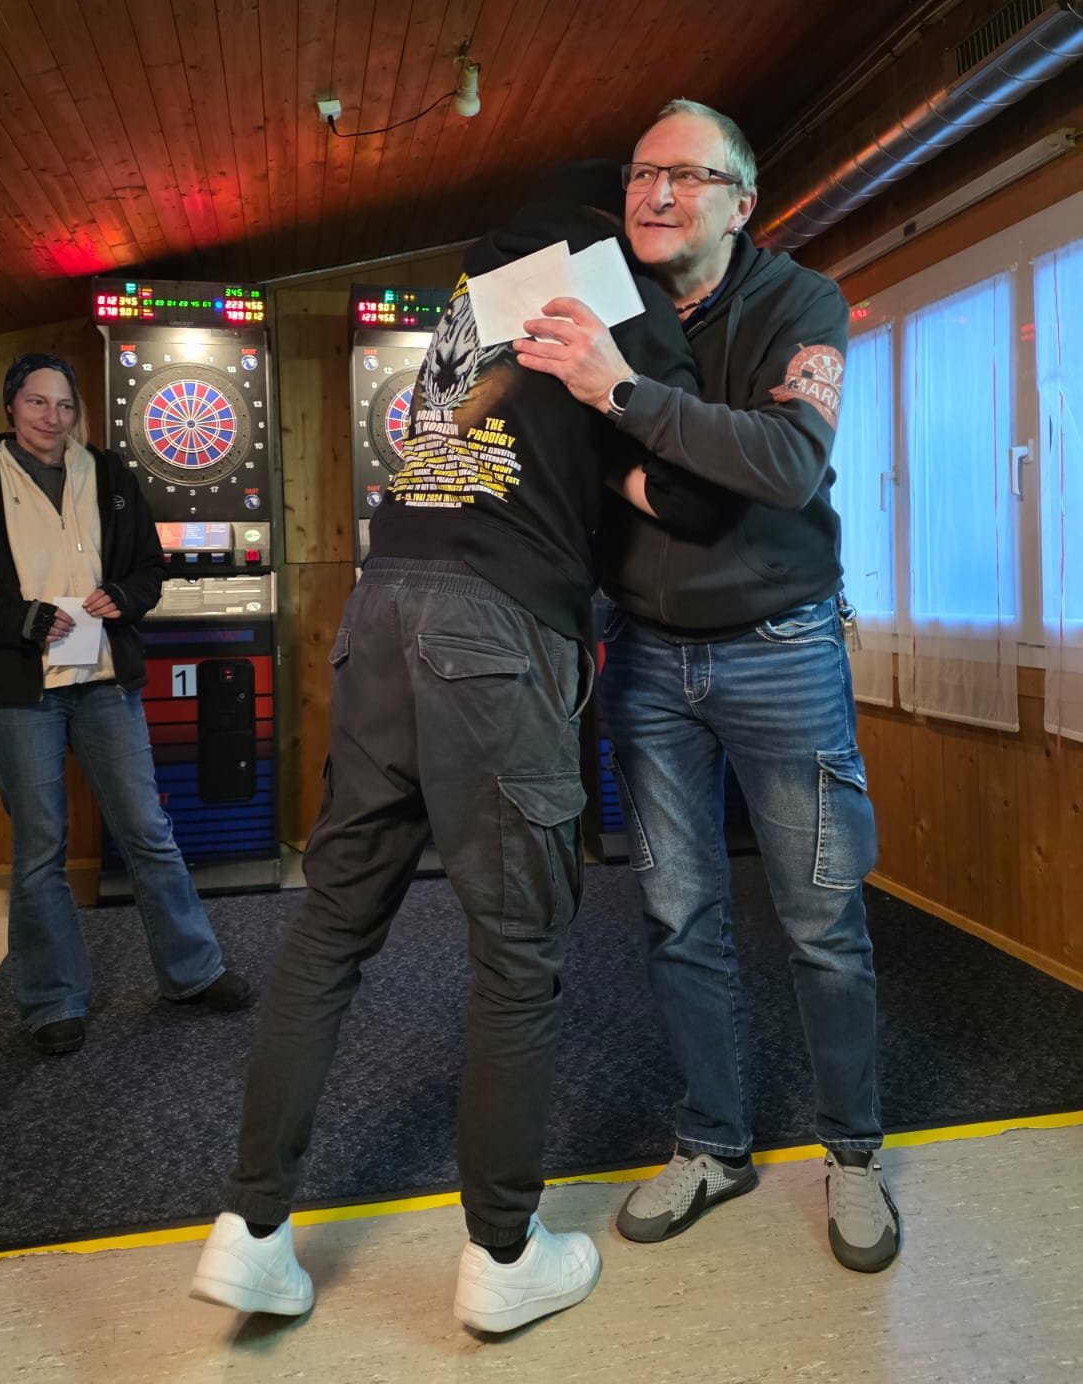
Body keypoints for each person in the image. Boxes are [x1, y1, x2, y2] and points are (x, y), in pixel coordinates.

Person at [190, 173, 706, 1334]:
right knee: (519, 953)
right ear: (621, 213)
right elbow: (683, 467)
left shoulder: (479, 289)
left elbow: (528, 438)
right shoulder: (611, 275)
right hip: (494, 626)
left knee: (331, 928)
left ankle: (250, 1230)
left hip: (382, 607)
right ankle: (505, 1253)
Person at [512, 99, 901, 1276]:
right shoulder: (607, 301)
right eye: (642, 173)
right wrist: (654, 460)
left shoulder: (801, 303)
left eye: (685, 176)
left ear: (741, 202)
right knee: (680, 918)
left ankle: (852, 1152)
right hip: (645, 659)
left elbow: (785, 461)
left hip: (783, 650)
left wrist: (623, 399)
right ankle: (714, 1142)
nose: (656, 193)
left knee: (822, 920)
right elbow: (578, 465)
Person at [0, 354, 253, 1056]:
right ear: (11, 405)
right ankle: (53, 1002)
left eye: (65, 405)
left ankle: (193, 972)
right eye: (38, 403)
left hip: (104, 684)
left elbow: (149, 570)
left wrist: (124, 596)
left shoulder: (111, 476)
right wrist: (22, 620)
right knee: (41, 847)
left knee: (148, 830)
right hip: (17, 693)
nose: (53, 417)